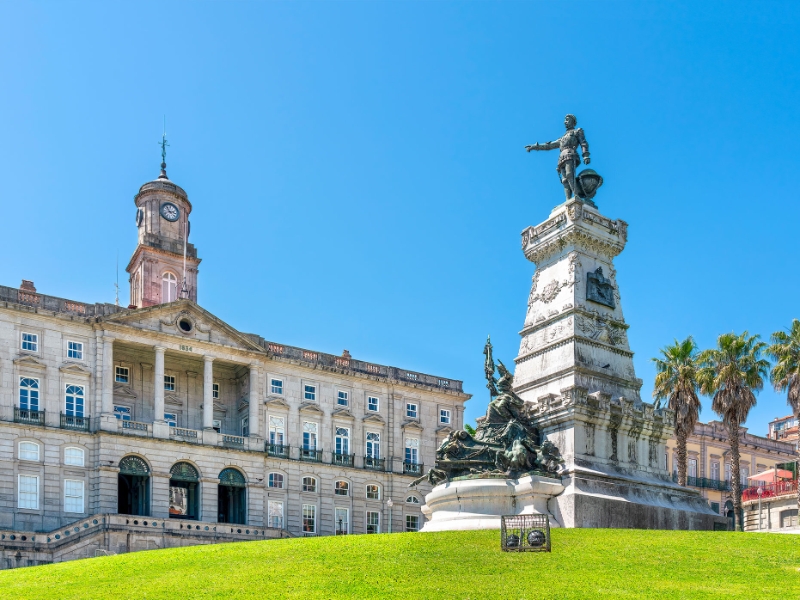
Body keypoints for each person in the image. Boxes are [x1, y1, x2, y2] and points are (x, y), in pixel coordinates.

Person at [526, 114, 591, 201]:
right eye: (565, 120)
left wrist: (585, 155)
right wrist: (535, 147)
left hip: (570, 154)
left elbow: (583, 143)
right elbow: (549, 146)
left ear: (572, 122)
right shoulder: (562, 138)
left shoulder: (577, 132)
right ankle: (568, 199)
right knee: (564, 180)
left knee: (569, 174)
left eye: (567, 120)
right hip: (562, 157)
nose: (565, 122)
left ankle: (576, 195)